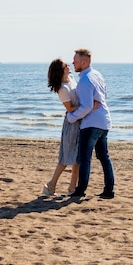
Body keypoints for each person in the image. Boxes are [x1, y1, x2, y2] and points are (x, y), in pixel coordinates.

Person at [67, 49, 115, 199]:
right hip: (104, 121)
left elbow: (87, 106)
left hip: (91, 123)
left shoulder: (85, 80)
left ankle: (80, 190)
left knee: (85, 157)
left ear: (84, 62)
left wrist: (72, 117)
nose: (73, 63)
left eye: (75, 60)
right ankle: (109, 191)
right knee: (104, 157)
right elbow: (104, 95)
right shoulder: (97, 75)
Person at [42, 58, 81, 197]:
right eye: (65, 65)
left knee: (77, 157)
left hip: (80, 120)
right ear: (61, 70)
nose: (68, 66)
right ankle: (50, 185)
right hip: (72, 124)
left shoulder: (71, 78)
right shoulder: (62, 89)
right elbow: (70, 108)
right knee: (66, 157)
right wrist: (87, 108)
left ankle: (72, 188)